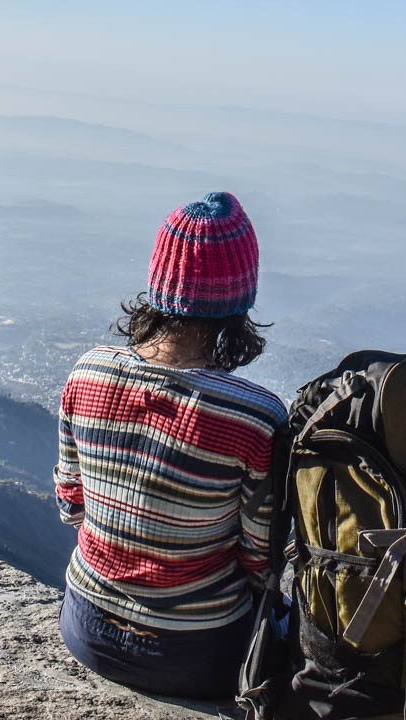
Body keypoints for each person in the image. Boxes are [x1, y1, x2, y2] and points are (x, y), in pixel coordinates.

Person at [55, 190, 287, 701]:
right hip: (194, 653)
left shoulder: (87, 372)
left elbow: (72, 506)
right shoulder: (256, 419)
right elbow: (259, 559)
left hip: (85, 627)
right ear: (240, 296)